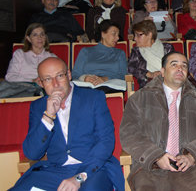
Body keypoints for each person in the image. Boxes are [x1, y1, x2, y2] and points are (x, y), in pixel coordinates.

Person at [10, 57, 124, 191]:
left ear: (69, 75)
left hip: (93, 169)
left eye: (59, 76)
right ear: (40, 83)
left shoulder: (93, 98)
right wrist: (48, 116)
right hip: (55, 171)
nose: (55, 83)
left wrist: (79, 178)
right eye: (48, 79)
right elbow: (32, 154)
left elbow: (106, 142)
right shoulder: (38, 107)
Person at [120, 51, 196, 191]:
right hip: (150, 168)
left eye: (184, 66)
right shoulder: (140, 98)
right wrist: (156, 156)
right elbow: (129, 133)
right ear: (162, 71)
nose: (180, 68)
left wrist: (192, 156)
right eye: (174, 64)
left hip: (190, 167)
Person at [72, 20, 127, 93]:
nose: (117, 38)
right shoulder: (85, 51)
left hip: (110, 87)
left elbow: (123, 75)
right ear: (103, 34)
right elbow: (75, 74)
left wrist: (105, 79)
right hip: (87, 86)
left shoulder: (119, 53)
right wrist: (85, 78)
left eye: (118, 35)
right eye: (114, 34)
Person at [128, 20, 174, 89]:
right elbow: (131, 68)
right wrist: (147, 74)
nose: (134, 38)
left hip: (169, 83)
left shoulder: (167, 48)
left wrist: (162, 72)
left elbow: (174, 65)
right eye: (135, 35)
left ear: (149, 35)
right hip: (148, 87)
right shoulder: (136, 51)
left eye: (138, 35)